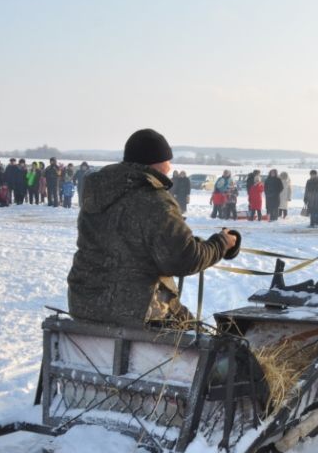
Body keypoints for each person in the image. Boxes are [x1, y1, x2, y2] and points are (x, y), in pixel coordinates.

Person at [67, 129, 237, 326]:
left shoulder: (99, 192)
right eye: (168, 160)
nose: (170, 167)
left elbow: (133, 243)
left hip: (84, 304)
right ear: (156, 162)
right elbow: (184, 259)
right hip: (137, 308)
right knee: (204, 340)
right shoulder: (155, 200)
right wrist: (222, 243)